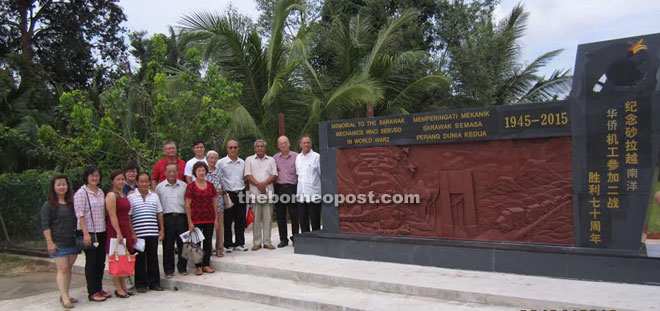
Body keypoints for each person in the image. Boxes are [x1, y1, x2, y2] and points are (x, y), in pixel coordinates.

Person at [41, 175, 80, 309]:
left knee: (68, 269)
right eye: (59, 184)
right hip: (58, 242)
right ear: (53, 187)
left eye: (64, 184)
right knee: (62, 269)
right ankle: (64, 298)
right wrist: (49, 242)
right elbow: (46, 225)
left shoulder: (72, 203)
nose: (62, 187)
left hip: (73, 241)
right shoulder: (49, 205)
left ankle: (65, 294)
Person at [74, 166, 109, 302]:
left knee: (101, 262)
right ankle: (92, 291)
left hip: (101, 230)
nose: (95, 178)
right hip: (88, 232)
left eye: (97, 175)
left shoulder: (101, 192)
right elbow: (80, 215)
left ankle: (99, 288)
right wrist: (86, 233)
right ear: (86, 177)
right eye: (92, 175)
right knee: (91, 262)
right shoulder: (81, 193)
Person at [128, 173, 164, 292]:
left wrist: (162, 229)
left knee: (153, 258)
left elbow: (159, 213)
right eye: (141, 182)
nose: (144, 184)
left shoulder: (154, 196)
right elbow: (129, 216)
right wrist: (132, 233)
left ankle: (154, 283)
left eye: (146, 181)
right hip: (138, 235)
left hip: (152, 232)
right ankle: (141, 284)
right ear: (137, 182)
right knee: (140, 260)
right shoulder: (131, 197)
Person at [105, 170, 136, 298]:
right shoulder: (112, 195)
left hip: (125, 228)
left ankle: (123, 285)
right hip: (115, 230)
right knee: (116, 259)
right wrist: (118, 232)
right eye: (117, 179)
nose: (121, 181)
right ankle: (118, 288)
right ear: (112, 181)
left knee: (124, 259)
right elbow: (112, 215)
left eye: (122, 179)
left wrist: (130, 231)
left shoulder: (124, 194)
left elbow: (127, 216)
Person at [156, 163, 189, 277]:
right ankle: (169, 270)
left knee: (183, 244)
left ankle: (182, 268)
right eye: (169, 171)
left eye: (174, 171)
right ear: (165, 173)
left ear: (177, 172)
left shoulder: (184, 186)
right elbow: (157, 206)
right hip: (167, 218)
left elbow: (188, 204)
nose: (171, 173)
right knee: (168, 245)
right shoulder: (160, 187)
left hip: (181, 218)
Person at [185, 161, 218, 275]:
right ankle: (197, 266)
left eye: (203, 170)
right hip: (196, 219)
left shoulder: (210, 186)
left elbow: (214, 203)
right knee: (196, 244)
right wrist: (189, 222)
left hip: (209, 218)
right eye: (199, 170)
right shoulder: (191, 187)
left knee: (208, 242)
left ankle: (206, 264)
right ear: (195, 172)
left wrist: (216, 218)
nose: (201, 172)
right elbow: (187, 205)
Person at [245, 139, 278, 251]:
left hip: (268, 193)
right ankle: (257, 242)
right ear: (254, 149)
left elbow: (274, 175)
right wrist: (258, 185)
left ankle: (267, 242)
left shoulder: (271, 160)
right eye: (258, 146)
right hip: (255, 194)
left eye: (262, 146)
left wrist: (263, 184)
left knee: (268, 219)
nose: (260, 148)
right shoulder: (249, 160)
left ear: (265, 148)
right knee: (256, 219)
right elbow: (248, 175)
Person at [219, 140, 248, 253]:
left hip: (240, 193)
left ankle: (239, 243)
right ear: (227, 149)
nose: (233, 150)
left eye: (235, 147)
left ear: (238, 148)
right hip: (228, 194)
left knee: (240, 220)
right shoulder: (221, 163)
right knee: (227, 221)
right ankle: (228, 244)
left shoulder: (242, 162)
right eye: (230, 147)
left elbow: (246, 178)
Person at [273, 135, 299, 247]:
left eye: (285, 142)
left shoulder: (297, 157)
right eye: (281, 143)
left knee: (294, 215)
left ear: (289, 144)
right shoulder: (274, 158)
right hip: (279, 188)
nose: (283, 145)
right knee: (280, 215)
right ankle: (283, 239)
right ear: (278, 145)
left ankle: (296, 237)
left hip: (292, 188)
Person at [296, 135, 322, 232]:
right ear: (300, 145)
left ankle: (317, 242)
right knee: (303, 221)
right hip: (301, 195)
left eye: (308, 142)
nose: (306, 144)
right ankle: (306, 243)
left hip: (313, 195)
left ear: (311, 144)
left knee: (315, 221)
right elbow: (298, 174)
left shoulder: (317, 157)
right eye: (304, 142)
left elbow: (321, 174)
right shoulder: (298, 157)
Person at [205, 150, 225, 257]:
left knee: (219, 227)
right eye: (211, 158)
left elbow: (223, 186)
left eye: (215, 158)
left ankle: (219, 248)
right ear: (207, 159)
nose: (213, 160)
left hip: (219, 203)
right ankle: (209, 248)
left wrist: (220, 191)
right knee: (208, 228)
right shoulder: (202, 171)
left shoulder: (219, 171)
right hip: (206, 204)